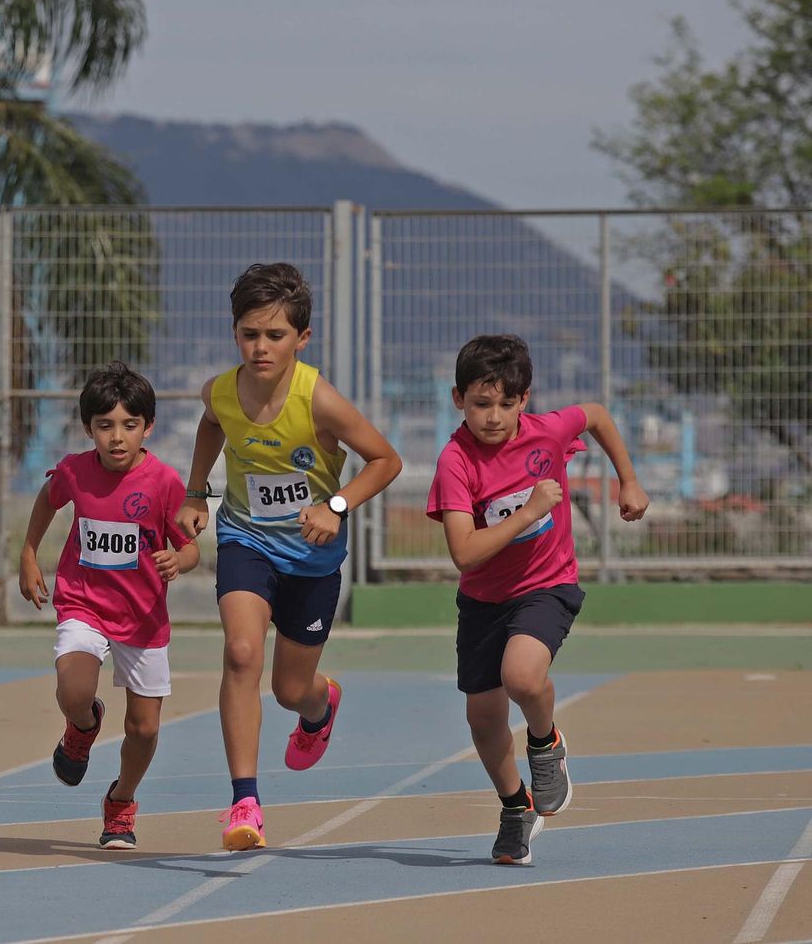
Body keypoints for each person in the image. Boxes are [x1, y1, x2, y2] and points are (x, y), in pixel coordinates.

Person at [176, 262, 403, 852]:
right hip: (245, 540)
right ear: (235, 333)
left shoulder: (320, 399)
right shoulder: (220, 391)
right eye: (249, 334)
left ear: (301, 339)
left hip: (311, 558)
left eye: (275, 336)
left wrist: (335, 504)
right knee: (241, 652)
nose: (260, 347)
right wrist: (196, 491)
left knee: (289, 688)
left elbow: (385, 460)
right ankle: (244, 801)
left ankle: (320, 705)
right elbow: (210, 424)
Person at [426, 334, 647, 865]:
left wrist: (629, 481)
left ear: (525, 400)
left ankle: (546, 745)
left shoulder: (547, 432)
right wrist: (527, 511)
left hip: (547, 585)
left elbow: (594, 415)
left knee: (522, 676)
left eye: (506, 403)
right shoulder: (456, 461)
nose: (494, 417)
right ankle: (514, 807)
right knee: (482, 717)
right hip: (483, 599)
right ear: (458, 399)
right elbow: (464, 552)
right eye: (481, 404)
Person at [19, 362, 199, 850]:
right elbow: (48, 498)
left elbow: (193, 548)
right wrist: (29, 552)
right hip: (84, 603)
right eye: (105, 426)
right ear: (89, 429)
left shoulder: (163, 482)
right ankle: (82, 724)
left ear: (148, 427)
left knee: (143, 728)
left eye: (129, 425)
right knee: (73, 687)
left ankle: (121, 799)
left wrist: (176, 559)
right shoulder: (76, 471)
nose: (117, 438)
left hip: (142, 618)